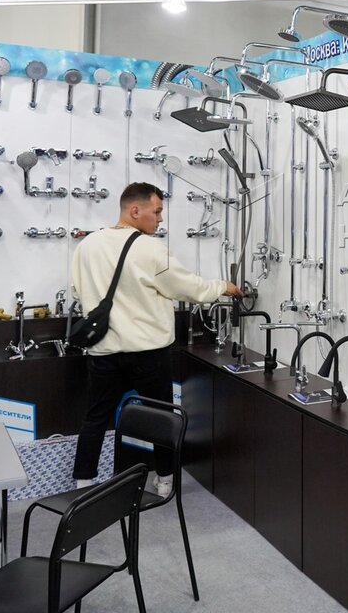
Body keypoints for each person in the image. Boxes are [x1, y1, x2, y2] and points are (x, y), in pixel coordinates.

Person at [70, 182, 241, 494]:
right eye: (157, 211)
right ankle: (164, 481)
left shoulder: (87, 246)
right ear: (135, 210)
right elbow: (188, 288)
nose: (160, 218)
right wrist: (222, 287)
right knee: (161, 416)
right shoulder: (150, 249)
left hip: (102, 350)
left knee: (95, 418)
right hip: (147, 353)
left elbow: (77, 290)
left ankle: (83, 483)